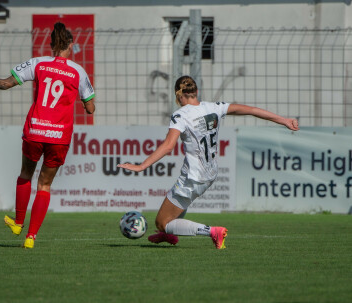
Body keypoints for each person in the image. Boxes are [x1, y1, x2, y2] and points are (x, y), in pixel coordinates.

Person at [0, 22, 95, 249]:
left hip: (35, 131)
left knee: (25, 175)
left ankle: (18, 222)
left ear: (51, 46)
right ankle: (30, 237)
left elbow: (5, 83)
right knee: (45, 185)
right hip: (58, 136)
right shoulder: (78, 72)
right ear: (70, 45)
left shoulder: (37, 63)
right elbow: (90, 109)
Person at [118, 75, 299, 249]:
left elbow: (167, 146)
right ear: (197, 91)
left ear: (178, 95)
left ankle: (212, 231)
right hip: (210, 174)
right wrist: (283, 120)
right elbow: (250, 110)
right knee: (174, 211)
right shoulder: (214, 107)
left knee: (161, 221)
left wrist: (141, 166)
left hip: (192, 177)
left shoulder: (181, 115)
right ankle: (168, 234)